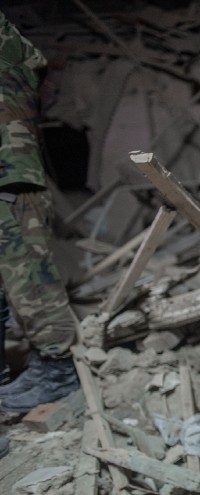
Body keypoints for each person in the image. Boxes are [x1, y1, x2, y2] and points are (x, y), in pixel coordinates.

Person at [0, 13, 79, 414]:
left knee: (28, 274)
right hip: (9, 170)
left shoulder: (7, 53)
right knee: (13, 277)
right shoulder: (15, 49)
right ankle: (33, 367)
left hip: (9, 173)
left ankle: (58, 370)